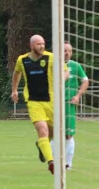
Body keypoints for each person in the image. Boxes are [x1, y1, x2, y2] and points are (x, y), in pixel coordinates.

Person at [11, 35, 67, 174]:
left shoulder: (51, 57)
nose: (41, 46)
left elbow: (65, 71)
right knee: (42, 130)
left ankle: (42, 146)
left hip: (51, 101)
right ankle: (51, 162)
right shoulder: (22, 60)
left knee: (54, 133)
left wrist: (61, 80)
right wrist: (14, 90)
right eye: (38, 44)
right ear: (31, 46)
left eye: (43, 44)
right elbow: (16, 73)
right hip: (34, 101)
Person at [62, 42, 89, 169]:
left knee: (68, 134)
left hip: (68, 104)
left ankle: (68, 163)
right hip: (53, 104)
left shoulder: (76, 66)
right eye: (64, 50)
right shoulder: (52, 65)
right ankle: (53, 161)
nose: (67, 53)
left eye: (69, 51)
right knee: (52, 133)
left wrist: (78, 95)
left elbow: (85, 81)